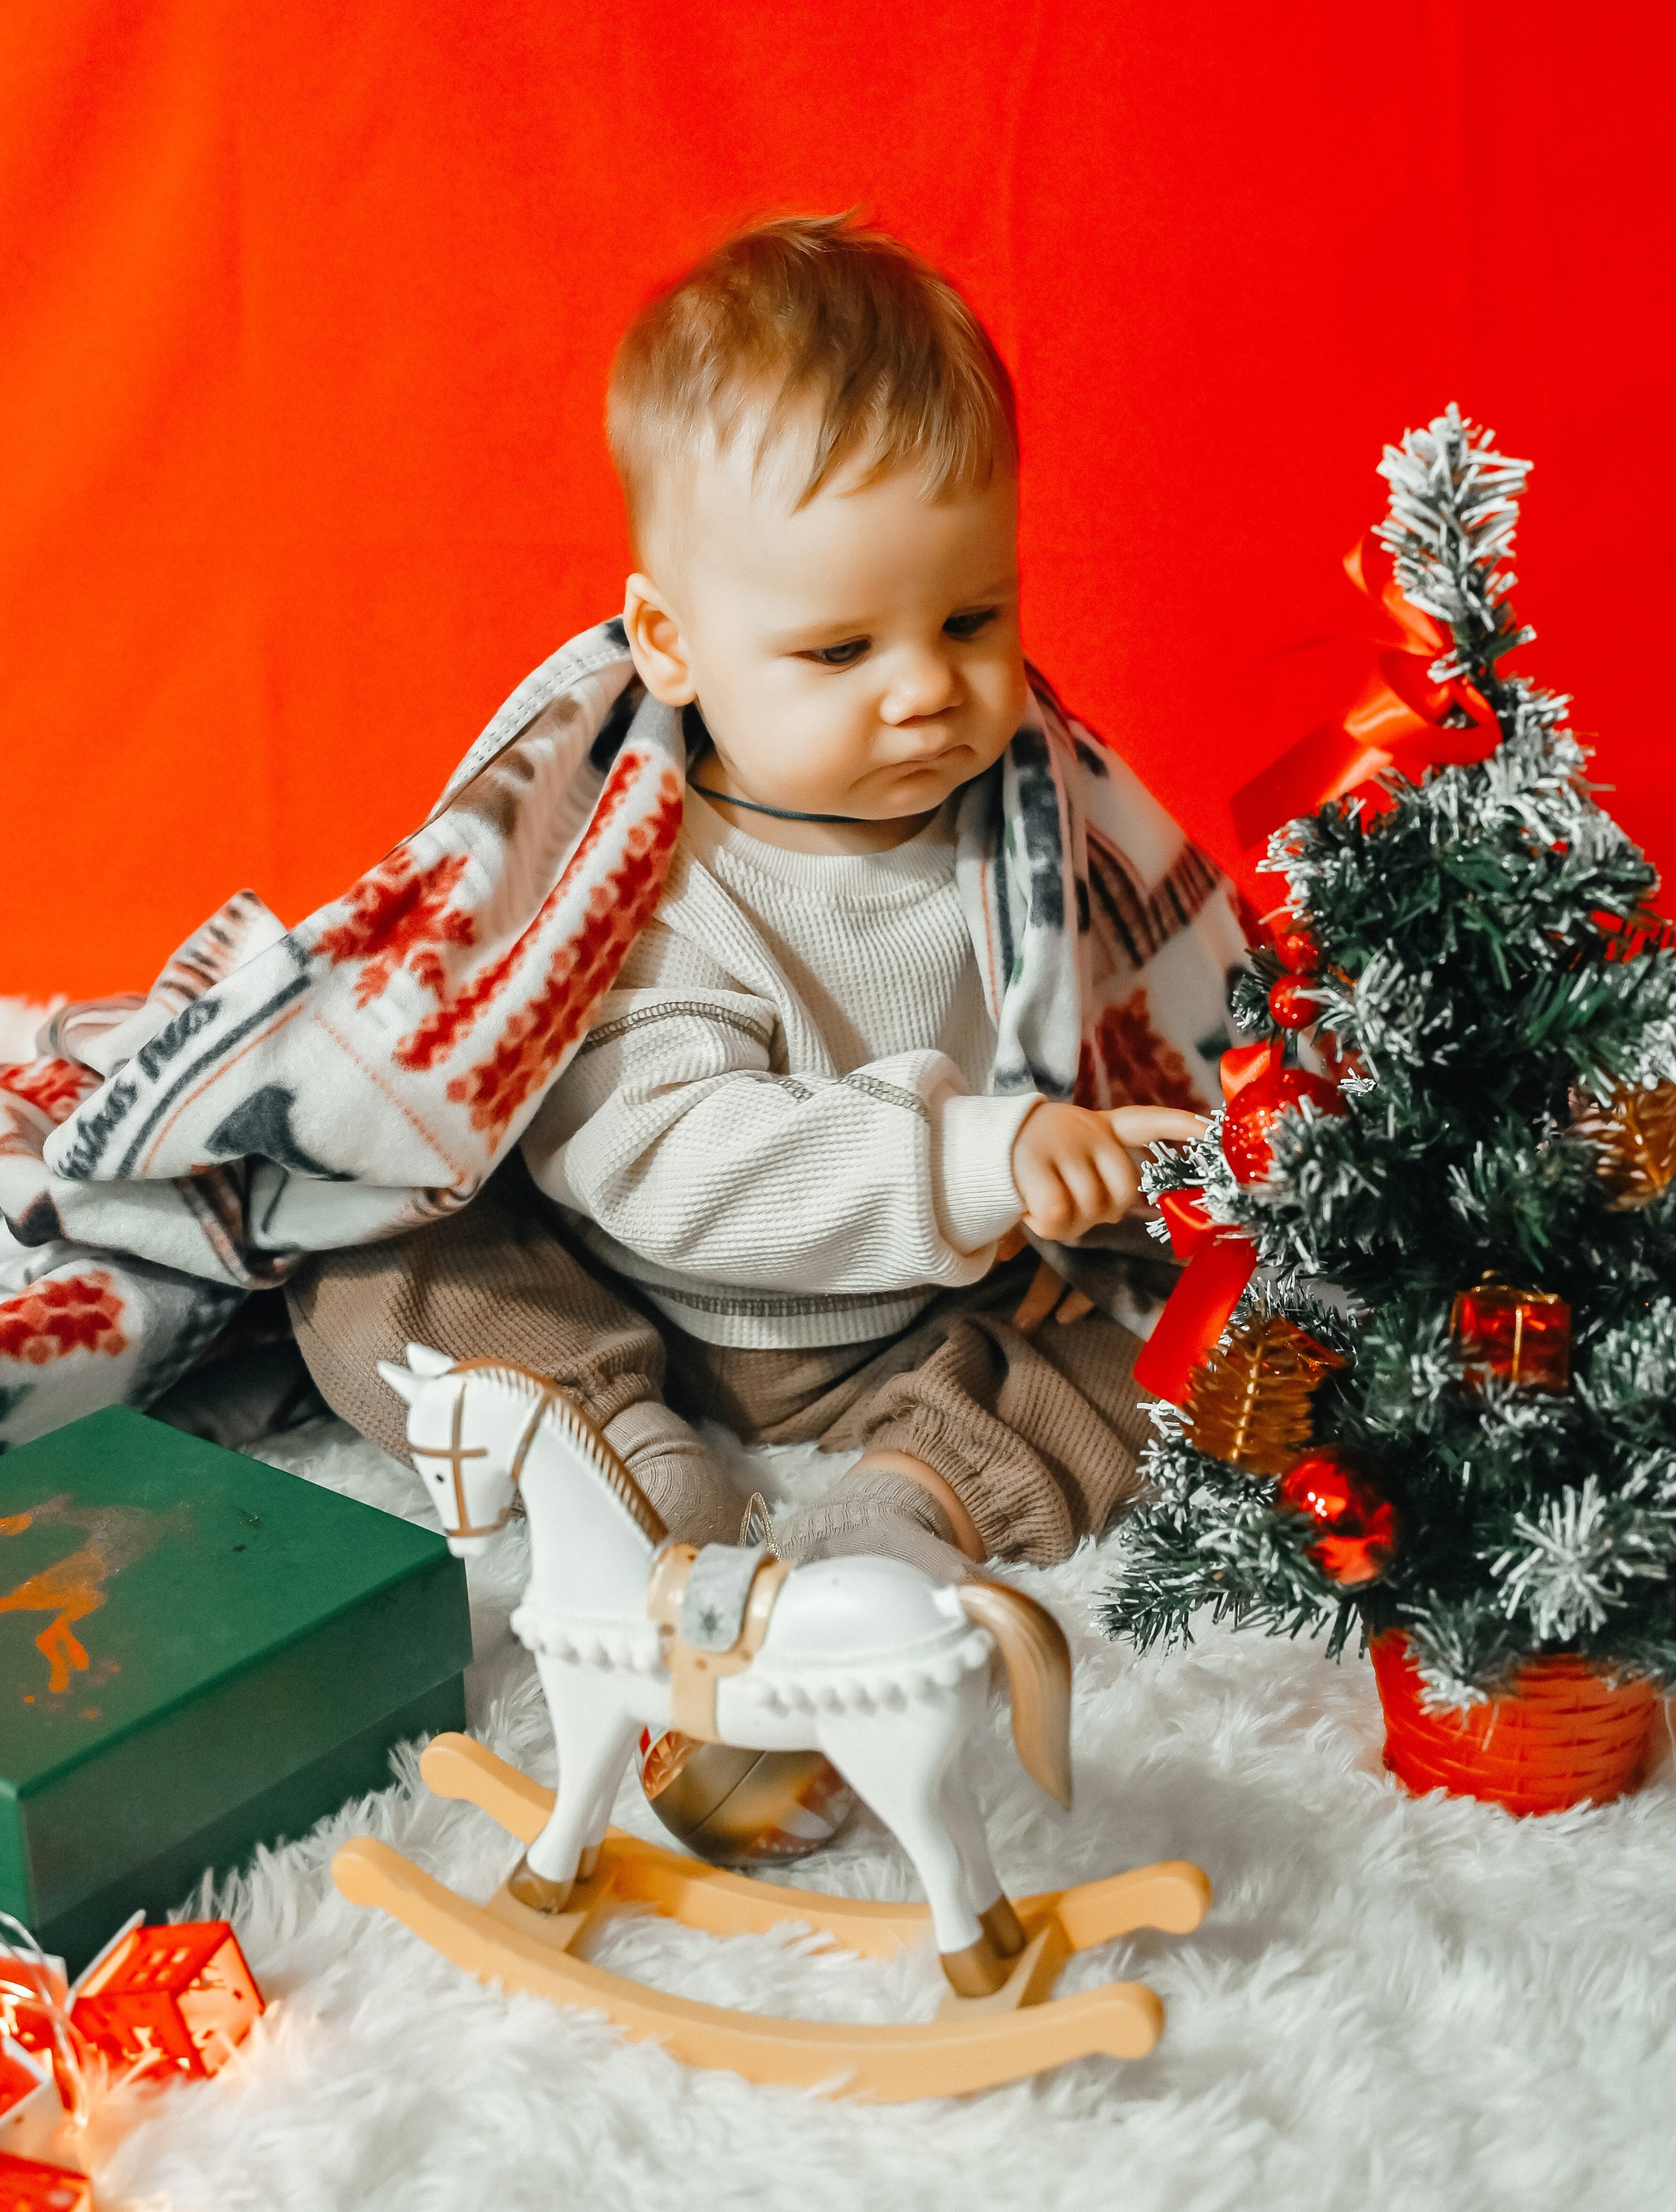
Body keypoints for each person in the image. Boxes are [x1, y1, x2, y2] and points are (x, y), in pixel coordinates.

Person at [290, 217, 1246, 1574]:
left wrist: (1090, 1178)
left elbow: (1159, 1000)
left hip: (918, 1314)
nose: (926, 687)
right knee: (367, 1265)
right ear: (672, 645)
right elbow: (655, 1160)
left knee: (1162, 1355)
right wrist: (977, 1154)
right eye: (841, 647)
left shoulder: (1039, 824)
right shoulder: (643, 870)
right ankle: (625, 1445)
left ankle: (913, 1508)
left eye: (972, 620)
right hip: (618, 1278)